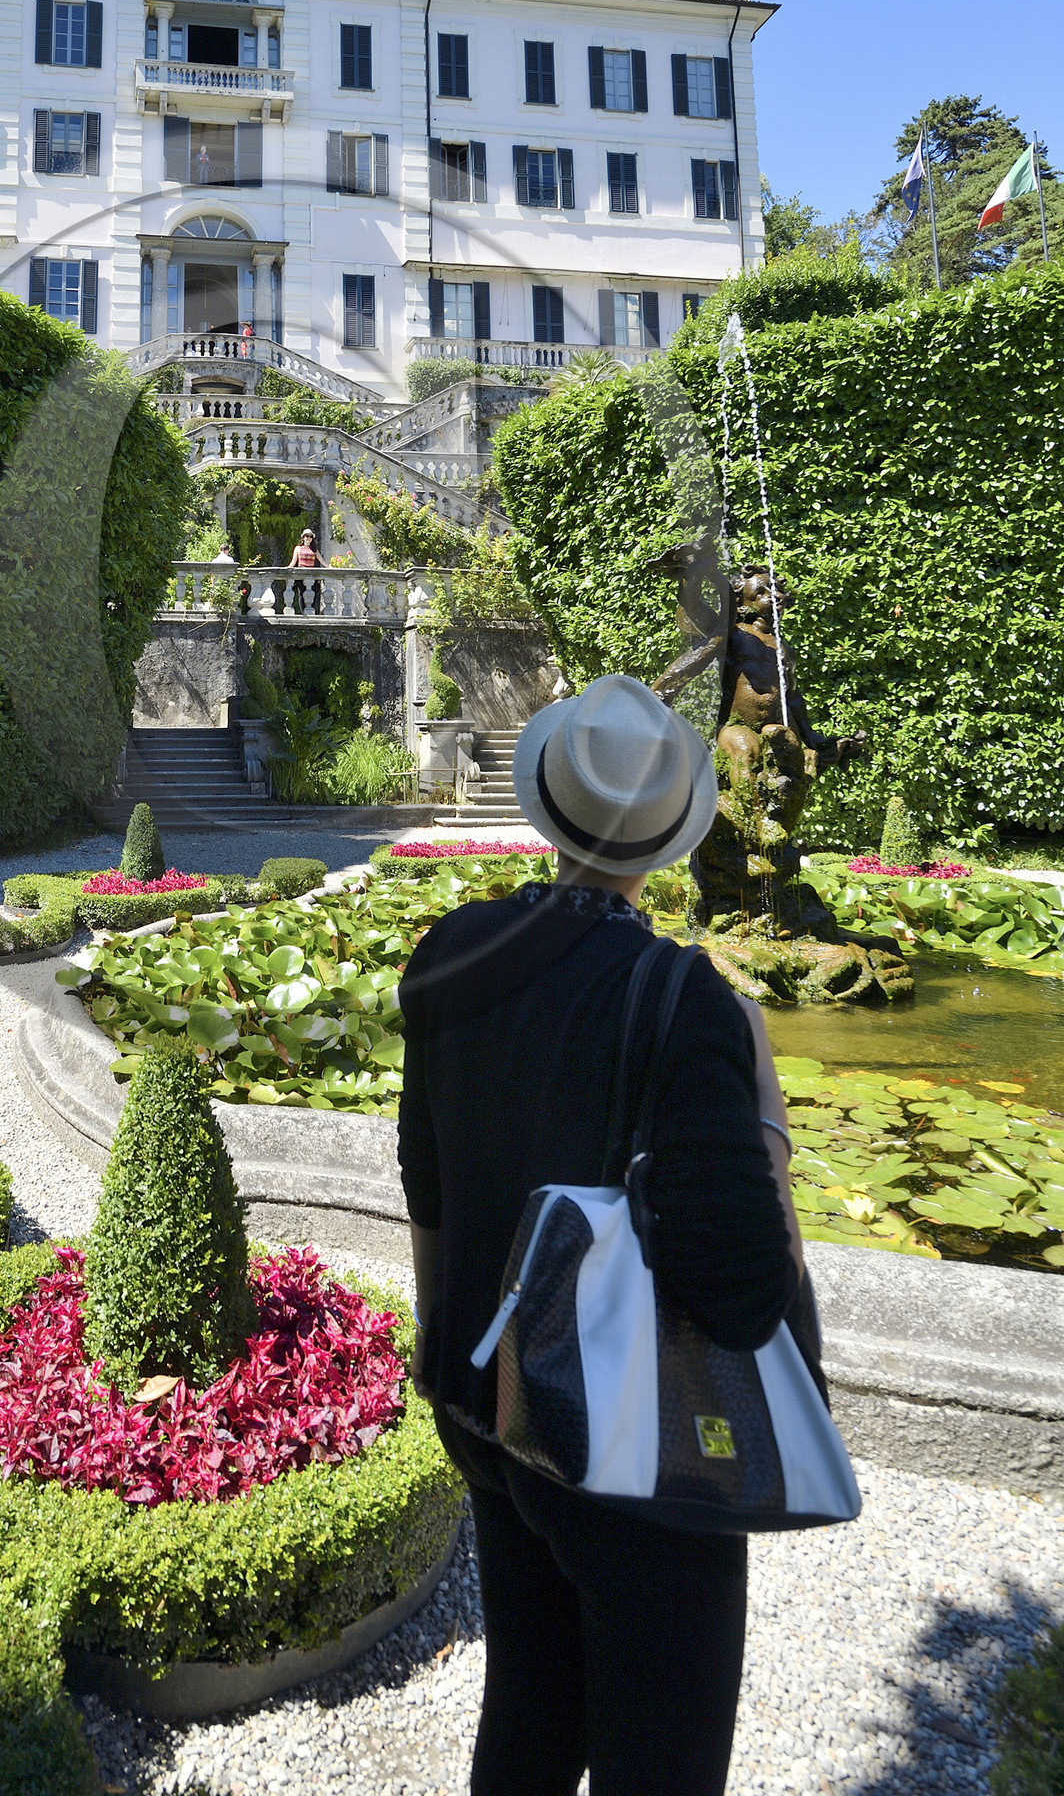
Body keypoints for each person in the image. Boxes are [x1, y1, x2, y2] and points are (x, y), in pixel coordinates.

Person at [398, 673, 818, 1796]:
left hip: (488, 1410)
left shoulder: (450, 951)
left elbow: (427, 1187)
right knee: (661, 1763)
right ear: (668, 842)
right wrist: (764, 1100)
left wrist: (449, 1369)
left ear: (545, 800)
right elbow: (740, 1292)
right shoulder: (684, 998)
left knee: (526, 1722)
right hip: (634, 1455)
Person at [289, 526, 320, 614]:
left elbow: (322, 561)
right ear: (303, 537)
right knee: (302, 594)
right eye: (307, 536)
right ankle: (303, 612)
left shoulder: (314, 550)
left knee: (314, 593)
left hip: (311, 575)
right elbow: (293, 562)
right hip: (301, 574)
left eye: (310, 537)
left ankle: (312, 611)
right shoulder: (298, 548)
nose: (308, 538)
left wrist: (329, 567)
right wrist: (287, 569)